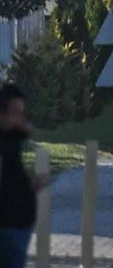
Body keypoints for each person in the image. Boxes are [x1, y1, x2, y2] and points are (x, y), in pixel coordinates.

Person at [0, 84, 43, 268]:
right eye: (14, 112)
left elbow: (28, 130)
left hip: (18, 218)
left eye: (21, 113)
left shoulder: (13, 133)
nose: (18, 118)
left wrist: (30, 182)